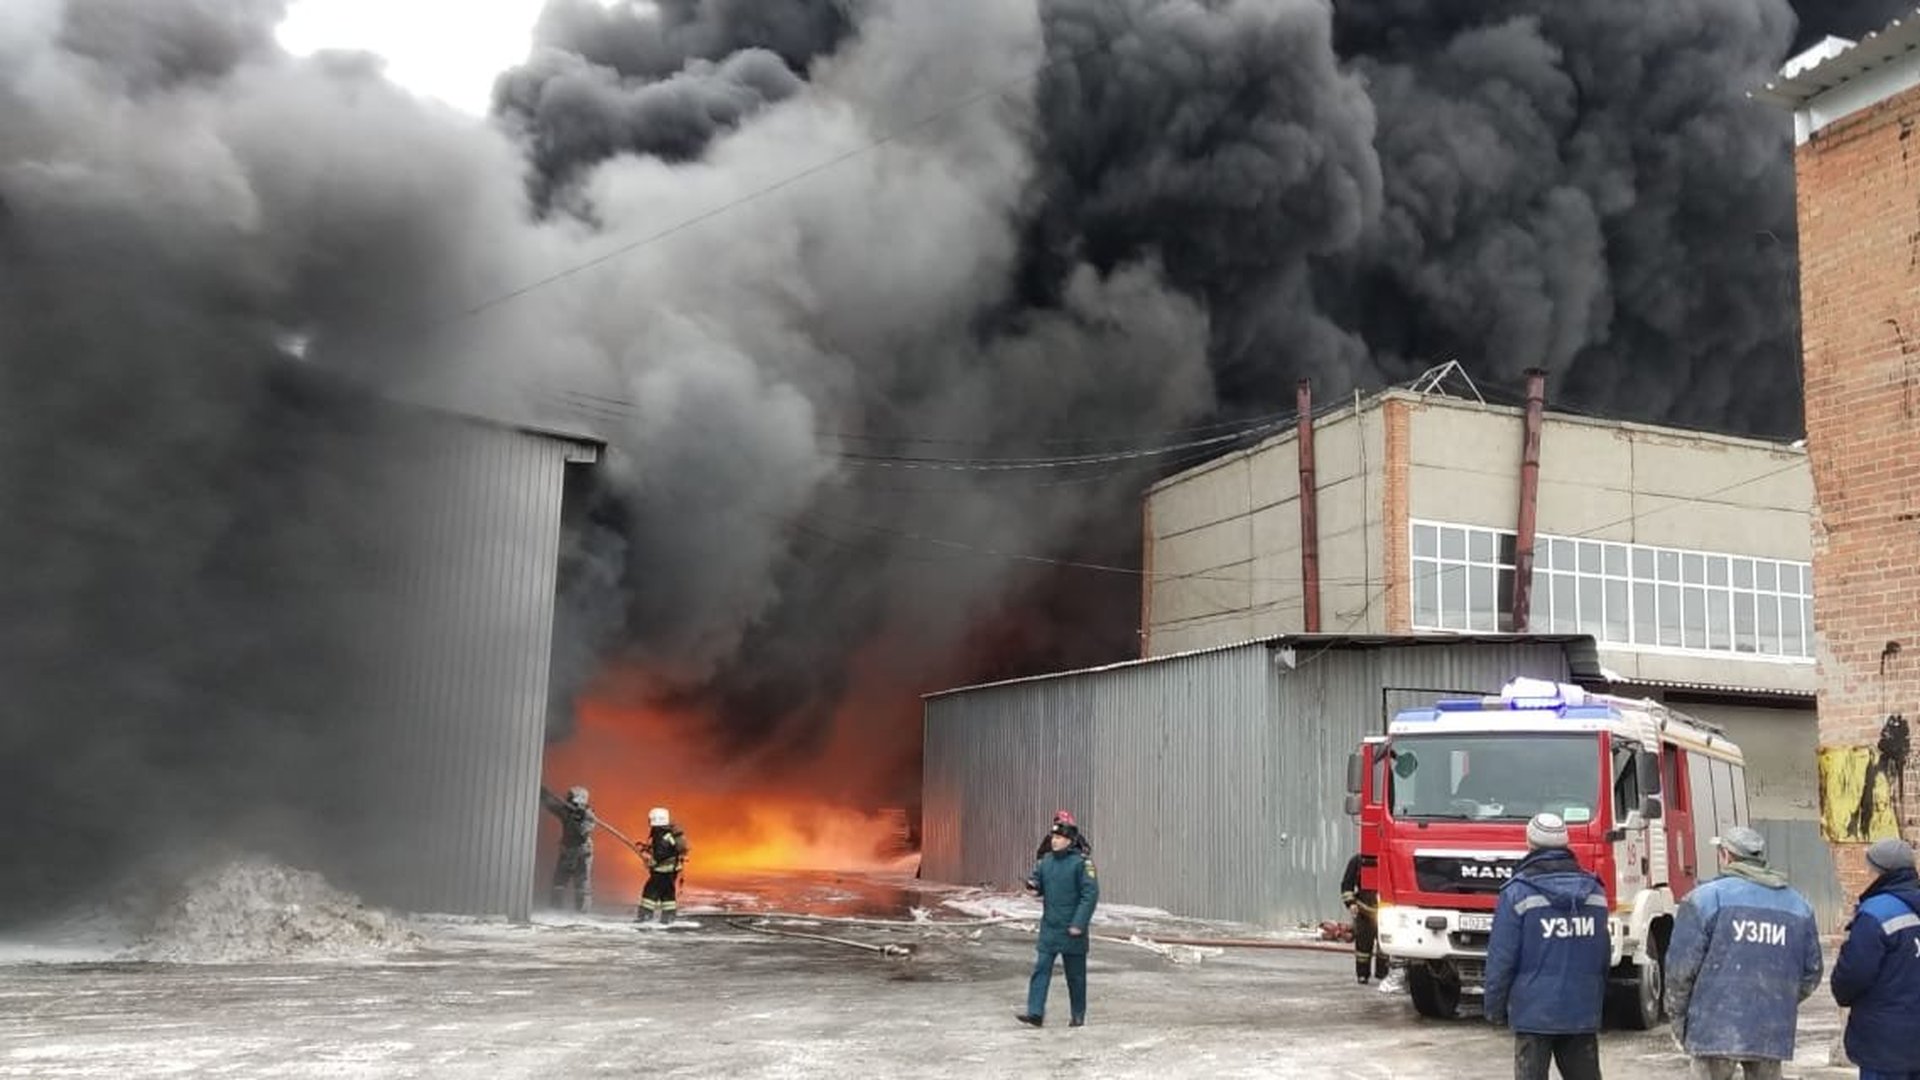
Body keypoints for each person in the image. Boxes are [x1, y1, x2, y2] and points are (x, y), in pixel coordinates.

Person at [1665, 826, 1823, 1080]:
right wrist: (1777, 1000)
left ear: (1725, 856)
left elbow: (1680, 971)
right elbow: (1811, 972)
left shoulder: (1704, 899)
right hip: (1770, 1027)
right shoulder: (1798, 905)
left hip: (1713, 1025)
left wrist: (1679, 1019)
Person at [1483, 813, 1610, 1080]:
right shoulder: (1595, 892)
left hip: (1534, 1014)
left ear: (1530, 843)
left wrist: (1494, 1008)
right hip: (1581, 1012)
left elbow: (1502, 958)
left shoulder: (1517, 893)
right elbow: (1602, 955)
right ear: (1565, 843)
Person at [1830, 837, 1920, 1080]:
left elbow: (1853, 975)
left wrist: (1841, 991)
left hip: (1884, 1042)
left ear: (1879, 872)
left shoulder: (1877, 912)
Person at [1015, 821, 1100, 1029]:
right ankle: (1035, 1013)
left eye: (1059, 838)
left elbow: (1090, 895)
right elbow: (1039, 885)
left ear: (1069, 841)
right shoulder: (1046, 862)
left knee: (1076, 976)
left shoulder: (1082, 864)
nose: (1054, 841)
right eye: (1053, 837)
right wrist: (1033, 888)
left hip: (1072, 929)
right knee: (1041, 969)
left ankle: (1078, 1015)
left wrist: (1079, 923)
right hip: (1050, 927)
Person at [539, 785, 596, 911]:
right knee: (558, 883)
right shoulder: (566, 811)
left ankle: (582, 912)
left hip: (582, 853)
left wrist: (579, 819)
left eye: (571, 800)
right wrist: (543, 794)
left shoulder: (588, 815)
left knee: (581, 884)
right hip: (567, 851)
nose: (569, 803)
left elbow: (583, 833)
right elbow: (553, 806)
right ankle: (555, 910)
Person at [1340, 852, 1390, 984]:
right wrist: (1351, 903)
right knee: (1363, 946)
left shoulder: (1388, 858)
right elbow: (1347, 885)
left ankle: (1382, 974)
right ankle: (1362, 974)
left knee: (1384, 946)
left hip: (1385, 911)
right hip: (1364, 911)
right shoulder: (1357, 861)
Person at [637, 806, 689, 925]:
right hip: (671, 870)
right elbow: (664, 849)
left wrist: (651, 860)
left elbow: (661, 853)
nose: (649, 822)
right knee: (667, 892)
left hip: (663, 871)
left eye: (650, 819)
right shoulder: (667, 833)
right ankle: (669, 916)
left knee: (650, 891)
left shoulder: (661, 835)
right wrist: (647, 848)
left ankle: (645, 915)